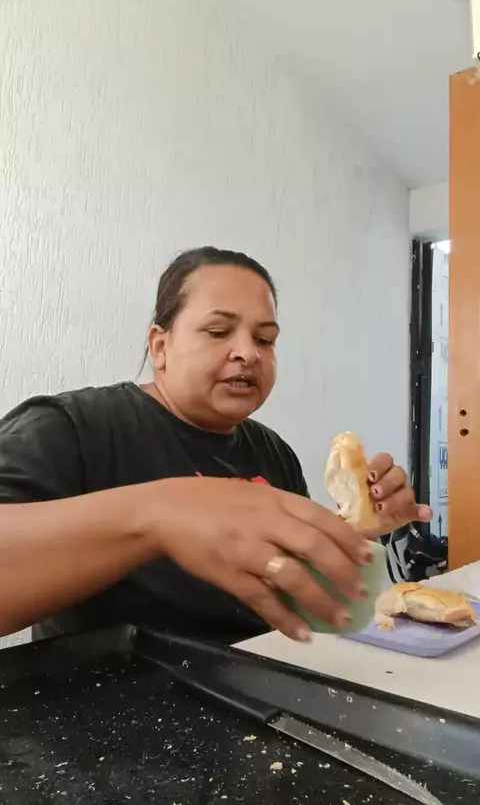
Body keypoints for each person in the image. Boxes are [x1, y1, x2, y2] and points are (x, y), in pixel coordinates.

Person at [0, 247, 431, 645]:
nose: (248, 353)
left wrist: (350, 532)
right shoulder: (70, 427)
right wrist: (157, 513)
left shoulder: (274, 452)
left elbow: (293, 595)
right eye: (219, 331)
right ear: (160, 346)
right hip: (106, 695)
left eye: (264, 339)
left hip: (257, 688)